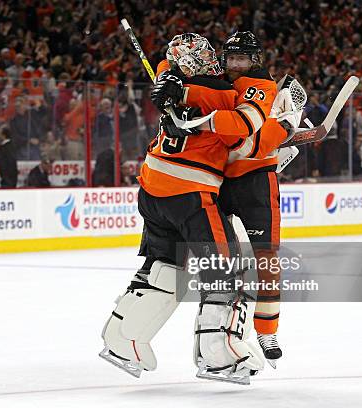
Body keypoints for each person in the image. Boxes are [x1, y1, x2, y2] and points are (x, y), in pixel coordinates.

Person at [100, 33, 266, 385]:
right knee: (226, 269)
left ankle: (123, 339)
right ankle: (219, 355)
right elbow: (241, 129)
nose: (215, 61)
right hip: (191, 193)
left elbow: (168, 70)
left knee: (164, 267)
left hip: (153, 187)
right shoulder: (223, 93)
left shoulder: (169, 79)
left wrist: (171, 79)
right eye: (207, 55)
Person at [150, 31, 300, 367]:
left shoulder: (261, 86)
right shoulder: (216, 77)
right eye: (230, 58)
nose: (234, 65)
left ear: (254, 60)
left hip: (256, 181)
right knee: (225, 260)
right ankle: (219, 338)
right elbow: (178, 65)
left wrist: (281, 132)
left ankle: (266, 330)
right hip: (218, 180)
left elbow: (245, 141)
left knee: (266, 258)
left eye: (241, 59)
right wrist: (170, 79)